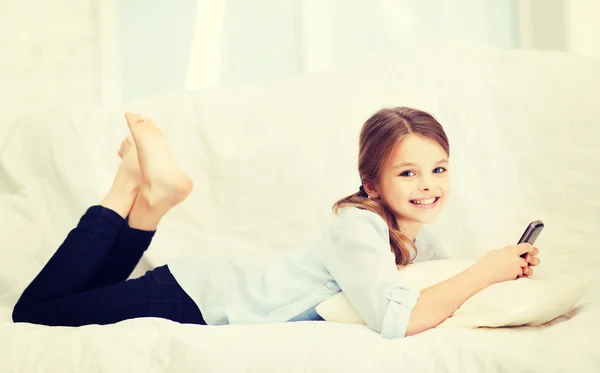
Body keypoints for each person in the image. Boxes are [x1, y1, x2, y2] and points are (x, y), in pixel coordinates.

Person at [12, 107, 540, 339]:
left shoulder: (420, 240)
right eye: (409, 172)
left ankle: (149, 204)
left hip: (211, 290)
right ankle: (126, 186)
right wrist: (485, 271)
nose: (429, 185)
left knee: (84, 297)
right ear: (372, 185)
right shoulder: (360, 228)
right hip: (195, 298)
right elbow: (394, 318)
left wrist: (504, 268)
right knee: (34, 315)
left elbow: (441, 293)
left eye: (439, 169)